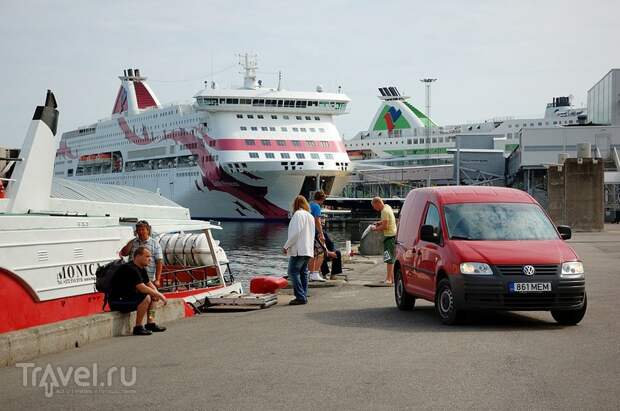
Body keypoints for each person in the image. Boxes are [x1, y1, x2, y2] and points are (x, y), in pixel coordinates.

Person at [109, 247, 168, 335]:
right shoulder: (130, 268)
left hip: (128, 298)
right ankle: (138, 327)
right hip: (118, 301)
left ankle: (150, 323)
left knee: (153, 296)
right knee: (147, 297)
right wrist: (160, 295)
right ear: (138, 256)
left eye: (150, 257)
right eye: (147, 256)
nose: (150, 259)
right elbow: (142, 288)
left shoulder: (141, 268)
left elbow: (149, 284)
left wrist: (157, 294)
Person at [283, 195, 315, 305]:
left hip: (299, 249)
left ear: (295, 204)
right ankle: (303, 294)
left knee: (293, 271)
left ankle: (300, 297)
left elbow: (295, 233)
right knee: (303, 272)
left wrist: (286, 245)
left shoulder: (297, 215)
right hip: (308, 249)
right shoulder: (310, 216)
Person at [120, 220, 163, 288]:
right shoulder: (133, 242)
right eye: (138, 230)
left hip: (148, 279)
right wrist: (130, 242)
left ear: (148, 230)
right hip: (133, 277)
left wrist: (157, 279)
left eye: (143, 229)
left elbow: (159, 262)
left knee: (149, 296)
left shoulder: (155, 244)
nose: (140, 232)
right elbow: (123, 253)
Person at [371, 197, 397, 285]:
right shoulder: (387, 207)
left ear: (377, 203)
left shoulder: (384, 211)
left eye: (374, 206)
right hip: (392, 236)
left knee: (389, 258)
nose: (374, 208)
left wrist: (375, 228)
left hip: (389, 237)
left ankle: (389, 279)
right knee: (389, 257)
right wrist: (380, 222)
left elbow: (385, 226)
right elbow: (386, 221)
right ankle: (392, 278)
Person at [308, 191, 328, 282]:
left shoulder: (309, 205)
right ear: (322, 199)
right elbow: (317, 221)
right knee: (321, 252)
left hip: (309, 232)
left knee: (312, 253)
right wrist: (321, 234)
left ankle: (311, 273)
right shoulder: (316, 206)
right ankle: (315, 273)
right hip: (315, 233)